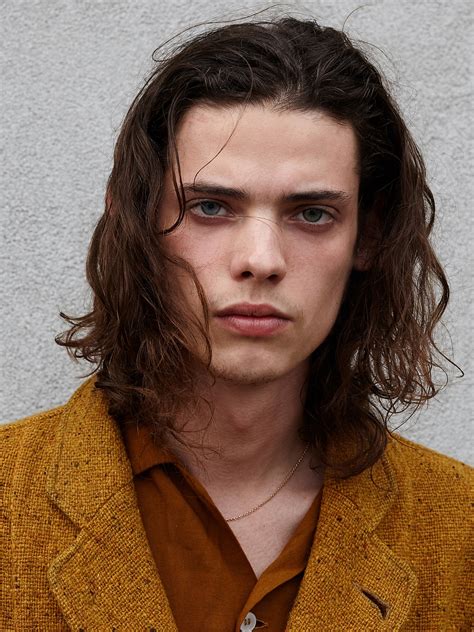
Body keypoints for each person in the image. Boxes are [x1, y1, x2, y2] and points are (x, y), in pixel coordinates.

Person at [1, 15, 471, 631]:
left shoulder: (460, 529)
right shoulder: (11, 495)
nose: (261, 260)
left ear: (369, 235)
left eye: (312, 213)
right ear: (134, 218)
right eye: (211, 207)